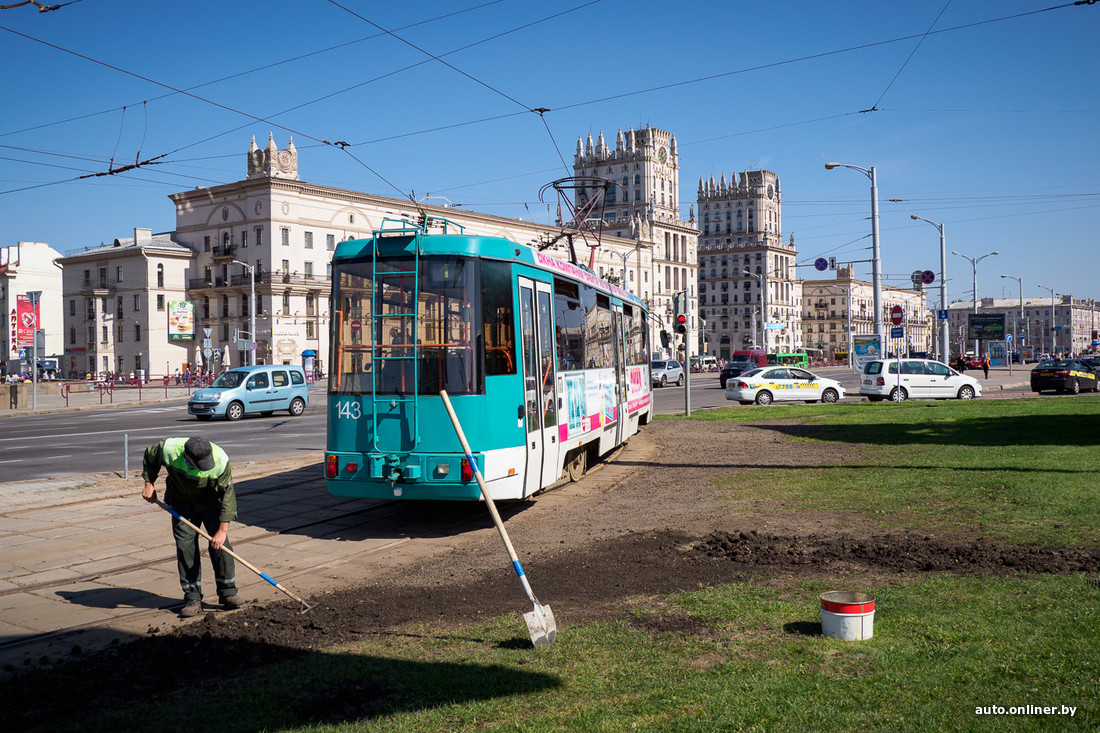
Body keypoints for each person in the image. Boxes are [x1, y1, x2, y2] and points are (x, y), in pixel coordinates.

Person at [141, 436, 241, 617]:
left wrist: (222, 530)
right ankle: (193, 597)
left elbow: (228, 496)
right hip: (181, 504)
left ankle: (228, 593)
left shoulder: (220, 459)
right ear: (187, 456)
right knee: (186, 548)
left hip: (211, 503)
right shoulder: (169, 449)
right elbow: (150, 457)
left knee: (221, 546)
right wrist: (149, 483)